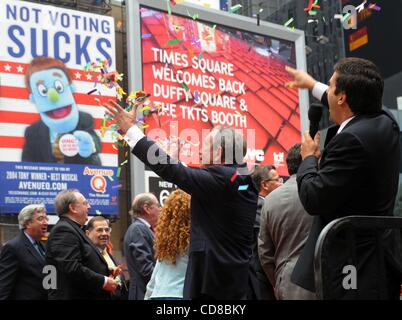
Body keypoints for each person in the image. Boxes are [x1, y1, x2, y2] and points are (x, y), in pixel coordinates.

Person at [104, 100, 258, 299]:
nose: (200, 152)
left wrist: (131, 130)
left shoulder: (221, 180)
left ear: (219, 152)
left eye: (204, 146)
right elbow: (188, 176)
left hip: (215, 286)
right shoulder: (239, 179)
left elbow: (173, 171)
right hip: (234, 282)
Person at [286, 58, 402, 299]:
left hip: (352, 266)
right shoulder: (386, 122)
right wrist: (312, 84)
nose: (326, 90)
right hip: (378, 259)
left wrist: (308, 159)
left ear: (342, 98)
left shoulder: (350, 140)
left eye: (329, 86)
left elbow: (314, 198)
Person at [258, 144, 316, 300]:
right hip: (320, 278)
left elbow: (265, 253)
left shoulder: (269, 201)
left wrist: (278, 280)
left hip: (286, 282)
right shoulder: (319, 191)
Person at [22, 56, 101, 164]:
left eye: (59, 87)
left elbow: (95, 142)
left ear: (70, 87)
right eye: (43, 91)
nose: (53, 97)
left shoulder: (84, 119)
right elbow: (26, 162)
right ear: (33, 98)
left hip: (80, 178)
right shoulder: (33, 131)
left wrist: (89, 144)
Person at [46, 189, 119, 299]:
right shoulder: (64, 229)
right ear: (73, 208)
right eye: (85, 203)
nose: (89, 207)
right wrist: (103, 281)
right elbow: (71, 267)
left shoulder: (74, 229)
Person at [145, 189, 191, 300]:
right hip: (180, 295)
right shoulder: (193, 240)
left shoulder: (164, 241)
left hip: (158, 295)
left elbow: (156, 275)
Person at [0, 204, 48, 300]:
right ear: (27, 223)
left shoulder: (43, 245)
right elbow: (4, 287)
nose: (45, 222)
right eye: (40, 219)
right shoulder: (13, 247)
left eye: (46, 218)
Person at [249, 165, 282, 300]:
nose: (281, 184)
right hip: (262, 279)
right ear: (265, 185)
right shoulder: (259, 208)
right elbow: (264, 250)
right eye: (278, 180)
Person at [124, 193, 160, 300]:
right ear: (147, 208)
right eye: (157, 206)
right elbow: (146, 268)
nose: (160, 209)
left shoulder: (142, 229)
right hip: (143, 293)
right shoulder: (137, 229)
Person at [86, 216, 128, 300]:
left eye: (107, 230)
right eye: (99, 230)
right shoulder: (86, 254)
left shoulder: (107, 252)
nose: (104, 233)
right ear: (87, 233)